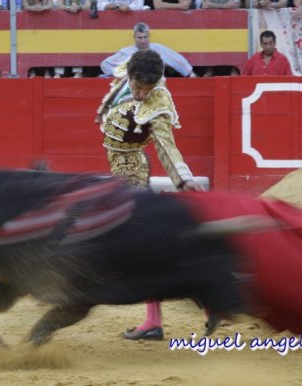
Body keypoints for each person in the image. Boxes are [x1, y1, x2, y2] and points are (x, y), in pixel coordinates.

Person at [96, 49, 204, 340]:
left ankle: (161, 315)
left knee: (137, 243)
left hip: (131, 165)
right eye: (138, 88)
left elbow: (166, 144)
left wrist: (184, 179)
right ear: (130, 75)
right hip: (120, 165)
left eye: (148, 89)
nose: (143, 95)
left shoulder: (158, 100)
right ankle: (194, 298)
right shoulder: (125, 72)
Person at [101, 23, 197, 78]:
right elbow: (105, 64)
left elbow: (177, 60)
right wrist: (122, 75)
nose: (143, 40)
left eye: (145, 37)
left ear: (149, 36)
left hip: (155, 86)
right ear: (134, 37)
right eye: (140, 37)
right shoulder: (126, 52)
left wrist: (190, 73)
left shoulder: (158, 49)